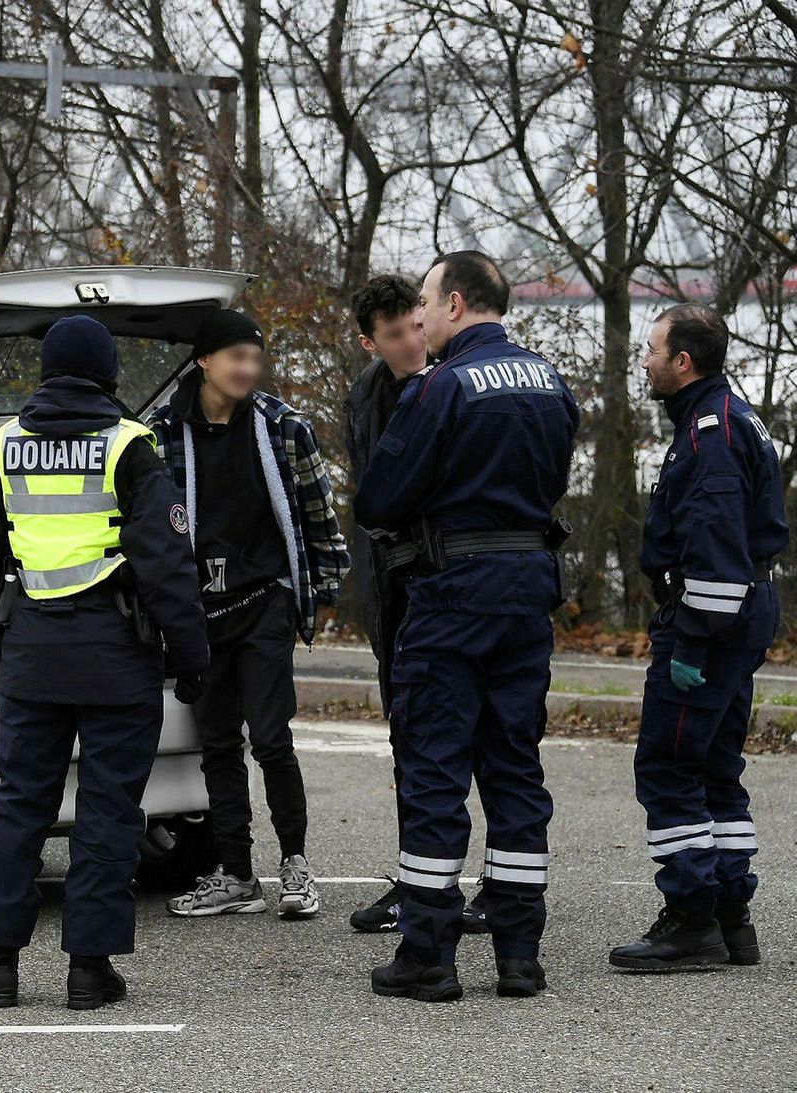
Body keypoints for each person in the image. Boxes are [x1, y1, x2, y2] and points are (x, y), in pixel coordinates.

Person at [0, 315, 209, 1011]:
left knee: (18, 804)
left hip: (32, 653)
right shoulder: (131, 446)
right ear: (105, 374)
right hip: (117, 657)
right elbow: (167, 565)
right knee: (107, 813)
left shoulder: (4, 446)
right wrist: (193, 660)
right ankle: (89, 972)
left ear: (45, 373)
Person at [355, 251, 579, 1002]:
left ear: (454, 303)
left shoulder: (440, 386)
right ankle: (519, 952)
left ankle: (429, 953)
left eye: (425, 301)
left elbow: (380, 497)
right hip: (526, 592)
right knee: (515, 767)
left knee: (434, 770)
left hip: (452, 593)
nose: (420, 316)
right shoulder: (551, 382)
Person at [146, 308, 349, 920]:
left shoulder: (284, 428)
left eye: (254, 358)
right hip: (197, 613)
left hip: (265, 600)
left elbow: (319, 514)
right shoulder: (158, 433)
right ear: (204, 360)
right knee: (216, 746)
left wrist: (323, 586)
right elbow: (148, 527)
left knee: (271, 739)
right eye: (236, 357)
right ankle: (235, 874)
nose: (248, 369)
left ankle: (296, 868)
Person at [608, 305, 788, 971]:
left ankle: (691, 920)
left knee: (670, 766)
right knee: (715, 767)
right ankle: (731, 915)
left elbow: (714, 551)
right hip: (740, 615)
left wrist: (690, 645)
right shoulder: (730, 418)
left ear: (683, 361)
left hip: (711, 622)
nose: (647, 361)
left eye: (653, 349)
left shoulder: (708, 436)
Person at [342, 275, 492, 938]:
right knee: (411, 747)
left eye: (414, 325)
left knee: (484, 742)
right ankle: (418, 880)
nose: (410, 342)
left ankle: (495, 882)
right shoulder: (366, 395)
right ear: (369, 340)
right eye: (393, 334)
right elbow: (371, 499)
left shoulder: (455, 381)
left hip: (455, 592)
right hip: (393, 597)